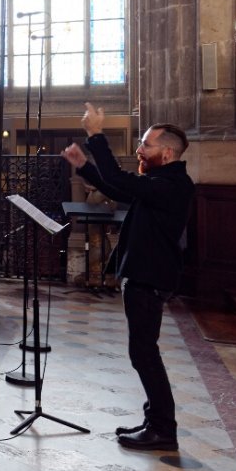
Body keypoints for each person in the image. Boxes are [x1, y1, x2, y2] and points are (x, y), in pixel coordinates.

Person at [62, 103, 195, 451]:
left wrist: (96, 135)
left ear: (166, 153)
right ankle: (154, 420)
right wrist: (85, 168)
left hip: (150, 279)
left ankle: (163, 429)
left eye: (146, 145)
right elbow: (121, 191)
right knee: (143, 352)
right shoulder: (162, 180)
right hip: (144, 276)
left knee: (144, 354)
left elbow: (121, 181)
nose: (139, 149)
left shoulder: (174, 185)